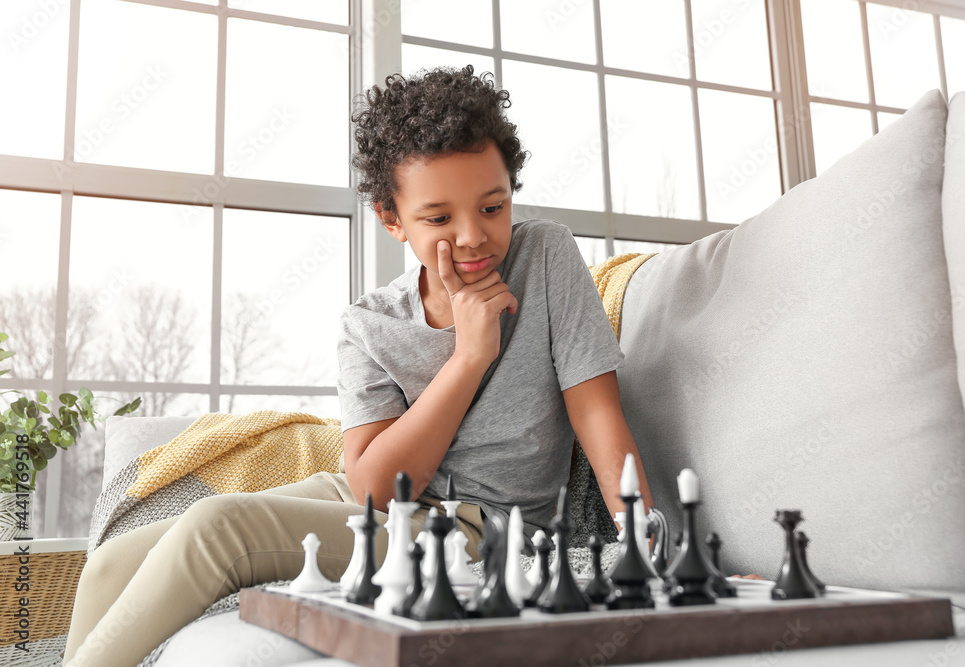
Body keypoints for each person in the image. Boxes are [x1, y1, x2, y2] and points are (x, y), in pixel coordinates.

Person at [63, 65, 653, 667]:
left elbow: (597, 412)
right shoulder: (369, 324)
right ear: (391, 218)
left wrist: (646, 537)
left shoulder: (546, 255)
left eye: (493, 206)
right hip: (373, 497)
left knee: (219, 526)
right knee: (117, 556)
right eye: (439, 218)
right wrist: (471, 357)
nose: (474, 235)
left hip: (482, 525)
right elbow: (371, 487)